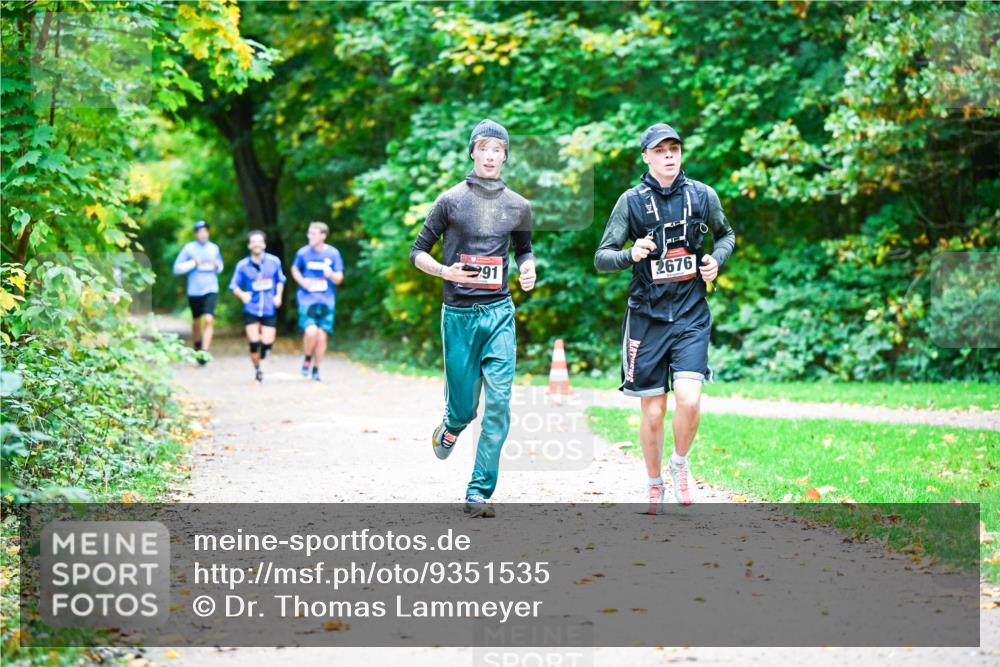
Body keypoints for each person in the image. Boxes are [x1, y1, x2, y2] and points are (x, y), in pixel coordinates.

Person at [594, 123, 736, 513]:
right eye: (660, 150)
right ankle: (654, 483)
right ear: (646, 157)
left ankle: (680, 465)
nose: (669, 155)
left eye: (674, 148)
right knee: (654, 411)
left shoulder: (702, 195)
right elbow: (602, 256)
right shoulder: (632, 202)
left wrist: (714, 261)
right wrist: (631, 253)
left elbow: (726, 236)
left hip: (691, 314)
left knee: (689, 400)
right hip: (646, 317)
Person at [409, 118, 536, 518]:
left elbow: (524, 249)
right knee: (465, 408)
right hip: (459, 315)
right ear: (473, 152)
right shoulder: (450, 200)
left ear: (505, 156)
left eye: (498, 149)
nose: (491, 155)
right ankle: (451, 426)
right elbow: (417, 252)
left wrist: (529, 268)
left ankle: (479, 491)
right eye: (484, 148)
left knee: (498, 405)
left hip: (498, 311)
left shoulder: (519, 205)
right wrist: (445, 271)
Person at [229, 230, 286, 383]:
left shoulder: (274, 262)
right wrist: (242, 295)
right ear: (249, 245)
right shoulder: (242, 265)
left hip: (269, 308)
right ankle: (258, 370)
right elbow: (233, 285)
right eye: (254, 242)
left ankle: (264, 351)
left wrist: (278, 296)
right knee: (254, 343)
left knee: (267, 343)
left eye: (259, 241)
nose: (257, 244)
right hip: (251, 308)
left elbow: (280, 280)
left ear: (264, 244)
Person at [291, 222, 344, 382]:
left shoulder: (333, 253)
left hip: (327, 300)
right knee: (311, 331)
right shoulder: (303, 253)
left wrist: (331, 274)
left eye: (313, 234)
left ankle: (316, 369)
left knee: (322, 336)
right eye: (309, 233)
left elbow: (339, 278)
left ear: (323, 236)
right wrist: (302, 281)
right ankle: (307, 357)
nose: (309, 236)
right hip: (307, 299)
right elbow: (294, 269)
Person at [172, 220, 223, 365]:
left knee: (208, 319)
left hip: (211, 288)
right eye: (200, 232)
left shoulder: (214, 248)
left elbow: (220, 267)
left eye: (205, 231)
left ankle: (204, 352)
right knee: (196, 321)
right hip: (194, 290)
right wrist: (193, 263)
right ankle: (197, 344)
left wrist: (217, 265)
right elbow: (176, 268)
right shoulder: (189, 249)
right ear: (195, 234)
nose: (203, 234)